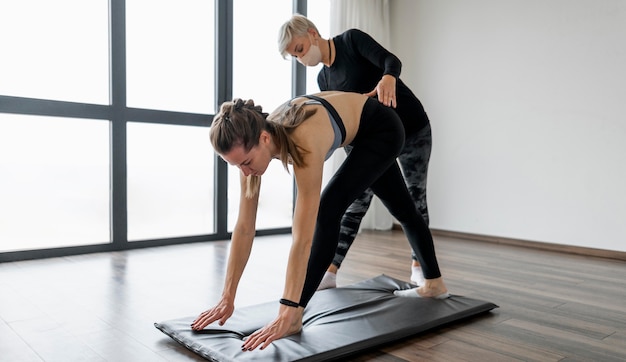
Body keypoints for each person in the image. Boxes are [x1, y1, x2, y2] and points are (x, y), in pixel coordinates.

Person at [191, 91, 449, 351]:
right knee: (403, 209)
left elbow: (303, 237)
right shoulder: (252, 149)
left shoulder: (303, 139)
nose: (245, 172)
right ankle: (434, 283)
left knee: (327, 211)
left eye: (245, 163)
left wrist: (289, 308)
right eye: (236, 166)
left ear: (264, 138)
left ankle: (295, 315)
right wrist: (227, 297)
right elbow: (245, 228)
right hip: (360, 136)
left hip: (383, 129)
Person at [278, 14, 434, 289]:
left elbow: (391, 61)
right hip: (374, 144)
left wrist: (388, 78)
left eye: (300, 49)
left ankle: (419, 266)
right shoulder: (324, 78)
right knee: (355, 204)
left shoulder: (351, 41)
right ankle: (330, 271)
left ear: (313, 33)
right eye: (295, 56)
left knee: (414, 198)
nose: (301, 59)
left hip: (412, 130)